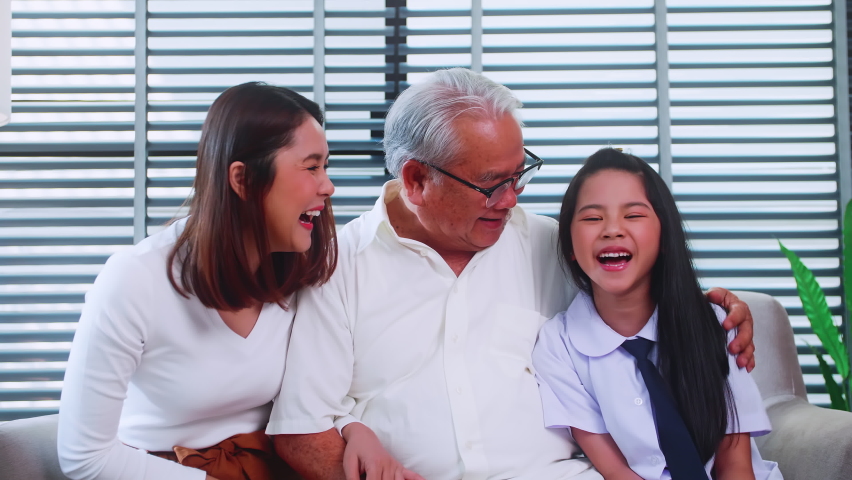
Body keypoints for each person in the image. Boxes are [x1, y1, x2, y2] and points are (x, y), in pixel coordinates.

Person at [268, 68, 756, 480]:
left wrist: (716, 308)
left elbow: (644, 297)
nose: (511, 198)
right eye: (491, 184)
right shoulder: (338, 264)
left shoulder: (552, 244)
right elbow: (301, 431)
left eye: (519, 175)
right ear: (417, 181)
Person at [57, 82, 337, 480]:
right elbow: (84, 457)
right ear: (242, 180)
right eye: (311, 167)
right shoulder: (135, 280)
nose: (327, 186)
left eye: (326, 167)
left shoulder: (303, 272)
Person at [532, 148, 781, 480]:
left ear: (664, 236)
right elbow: (616, 471)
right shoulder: (557, 346)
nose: (612, 230)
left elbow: (735, 465)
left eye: (633, 215)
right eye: (593, 218)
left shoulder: (716, 323)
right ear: (569, 247)